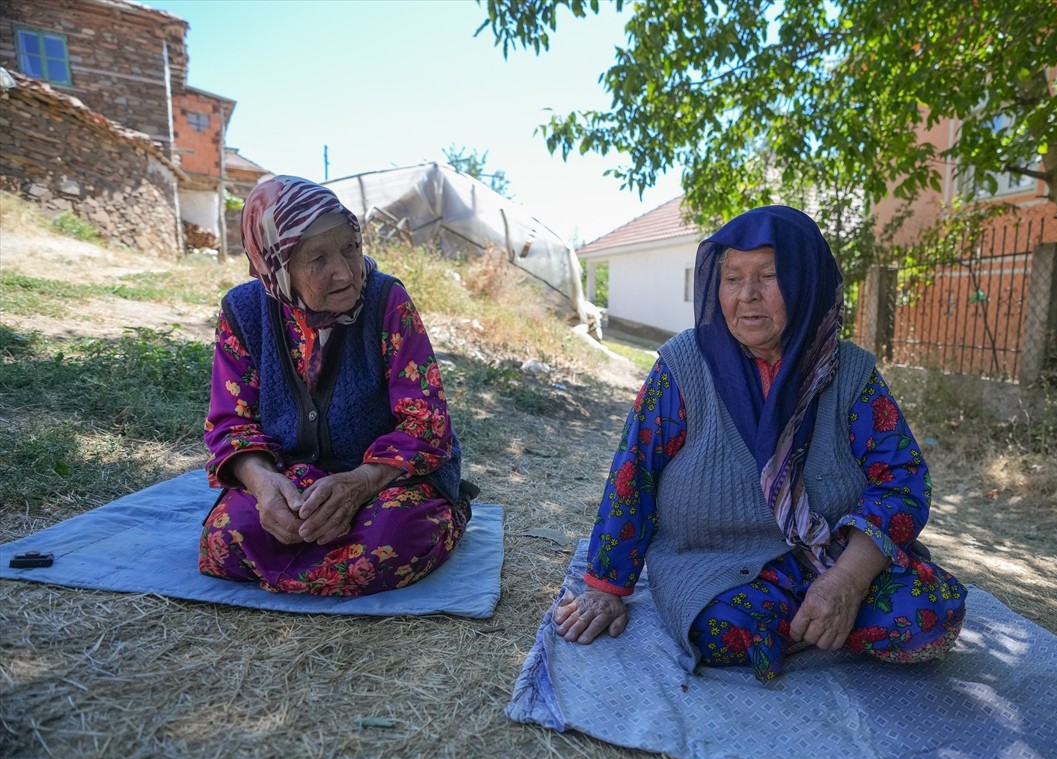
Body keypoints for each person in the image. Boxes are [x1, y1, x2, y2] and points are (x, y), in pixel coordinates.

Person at [554, 205, 966, 682]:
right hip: (720, 563)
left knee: (930, 615)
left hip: (831, 556)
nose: (747, 296)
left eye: (770, 276)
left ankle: (812, 619)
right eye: (732, 278)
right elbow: (635, 474)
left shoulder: (851, 374)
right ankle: (811, 627)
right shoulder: (684, 365)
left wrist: (847, 581)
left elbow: (902, 483)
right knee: (719, 630)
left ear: (806, 283)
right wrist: (607, 585)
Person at [198, 175, 473, 596]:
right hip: (292, 480)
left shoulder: (387, 301)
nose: (345, 272)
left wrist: (359, 482)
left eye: (350, 247)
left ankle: (439, 515)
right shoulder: (244, 311)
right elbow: (230, 422)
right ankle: (301, 549)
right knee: (226, 541)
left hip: (385, 478)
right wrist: (263, 484)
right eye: (317, 258)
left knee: (391, 540)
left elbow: (427, 424)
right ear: (276, 265)